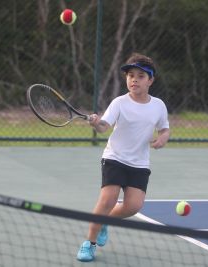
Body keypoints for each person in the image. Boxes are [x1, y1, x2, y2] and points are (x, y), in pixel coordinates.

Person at [77, 53, 170, 262]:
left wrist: (163, 138)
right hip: (115, 158)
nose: (134, 79)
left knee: (133, 207)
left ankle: (104, 221)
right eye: (130, 75)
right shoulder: (119, 102)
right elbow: (104, 128)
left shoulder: (158, 106)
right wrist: (96, 122)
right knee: (107, 199)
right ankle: (89, 243)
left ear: (151, 80)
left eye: (140, 76)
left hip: (139, 163)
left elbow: (165, 129)